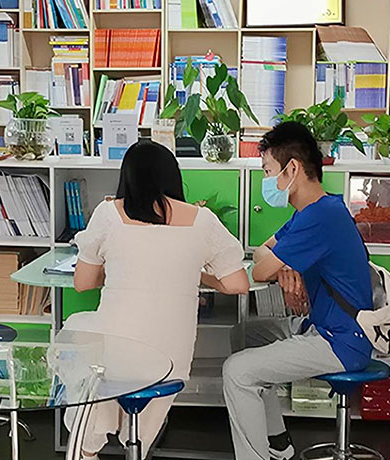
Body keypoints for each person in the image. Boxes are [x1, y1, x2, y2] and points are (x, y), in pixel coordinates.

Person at [69, 140, 250, 460]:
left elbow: (82, 283)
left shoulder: (108, 213)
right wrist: (197, 273)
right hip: (171, 364)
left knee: (78, 334)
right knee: (120, 360)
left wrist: (114, 269)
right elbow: (237, 284)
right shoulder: (203, 220)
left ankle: (87, 444)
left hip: (117, 360)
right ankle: (133, 440)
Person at [223, 122, 373, 460]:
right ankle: (278, 443)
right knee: (244, 335)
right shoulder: (314, 210)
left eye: (268, 171)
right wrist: (287, 266)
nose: (266, 180)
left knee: (237, 371)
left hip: (341, 340)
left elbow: (259, 270)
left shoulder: (321, 216)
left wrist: (278, 264)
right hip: (322, 327)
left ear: (292, 169)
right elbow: (263, 252)